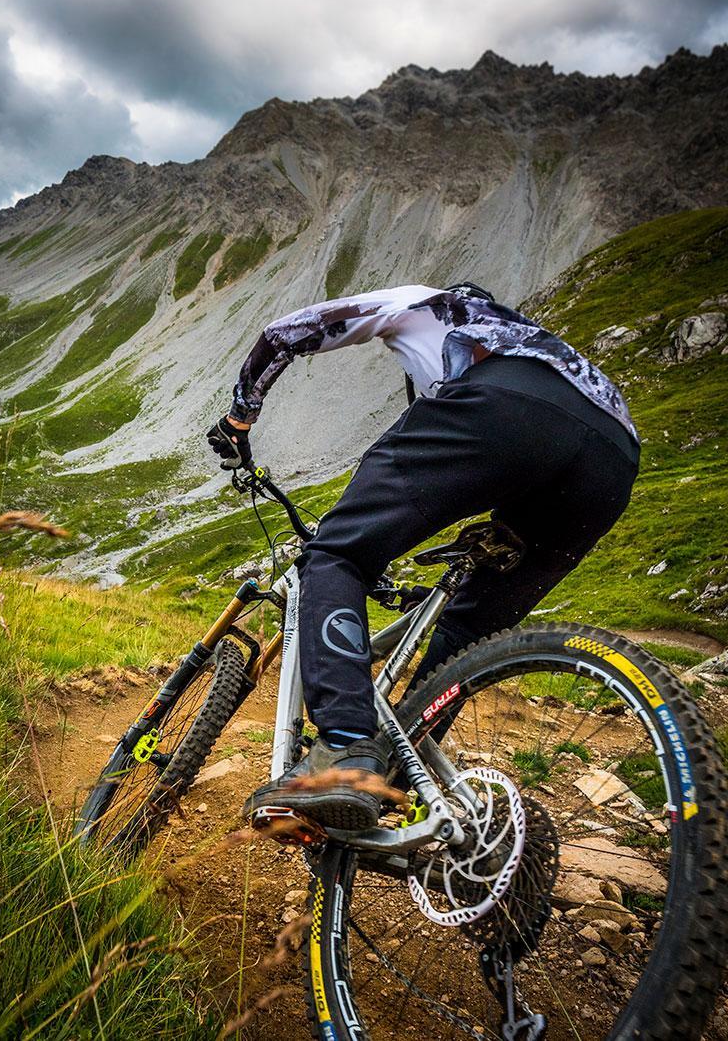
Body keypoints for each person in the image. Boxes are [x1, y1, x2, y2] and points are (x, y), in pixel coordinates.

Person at [207, 282, 640, 831]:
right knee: (468, 630)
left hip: (507, 409)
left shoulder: (426, 303)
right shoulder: (523, 339)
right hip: (614, 456)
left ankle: (345, 749)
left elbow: (286, 333)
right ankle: (398, 774)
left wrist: (238, 420)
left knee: (337, 554)